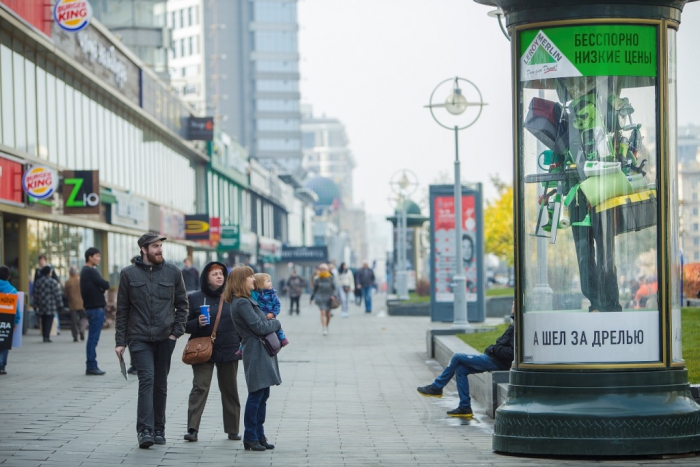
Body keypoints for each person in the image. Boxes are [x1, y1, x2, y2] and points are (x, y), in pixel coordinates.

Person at [115, 233, 188, 449]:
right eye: (155, 246)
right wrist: (120, 341)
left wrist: (176, 333)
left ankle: (159, 429)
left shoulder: (173, 272)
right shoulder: (128, 274)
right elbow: (122, 310)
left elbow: (183, 304)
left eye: (160, 246)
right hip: (138, 337)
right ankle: (144, 430)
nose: (159, 249)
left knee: (160, 383)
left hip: (165, 337)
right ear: (144, 249)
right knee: (146, 379)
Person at [416, 303, 515, 418]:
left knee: (457, 356)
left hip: (497, 362)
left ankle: (437, 387)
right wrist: (494, 349)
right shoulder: (514, 325)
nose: (512, 305)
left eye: (514, 304)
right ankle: (465, 407)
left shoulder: (517, 328)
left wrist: (493, 349)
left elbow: (511, 352)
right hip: (494, 359)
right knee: (461, 369)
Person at [183, 262, 242, 442]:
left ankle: (233, 429)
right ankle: (192, 428)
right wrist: (197, 323)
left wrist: (241, 342)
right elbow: (184, 325)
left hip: (229, 348)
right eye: (214, 274)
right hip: (202, 349)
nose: (219, 276)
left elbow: (241, 321)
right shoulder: (195, 298)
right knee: (200, 387)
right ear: (205, 278)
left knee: (230, 388)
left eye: (221, 273)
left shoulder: (233, 296)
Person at [225, 264, 281, 452]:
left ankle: (259, 435)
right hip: (255, 350)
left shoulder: (247, 300)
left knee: (263, 394)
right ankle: (250, 437)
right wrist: (276, 323)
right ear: (241, 281)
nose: (253, 279)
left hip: (261, 349)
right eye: (250, 277)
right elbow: (259, 327)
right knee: (256, 394)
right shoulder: (241, 302)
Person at [81, 247, 111, 376]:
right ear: (90, 257)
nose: (99, 258)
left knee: (92, 338)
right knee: (93, 339)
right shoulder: (90, 271)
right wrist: (101, 288)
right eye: (97, 256)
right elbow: (106, 284)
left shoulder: (85, 271)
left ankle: (91, 365)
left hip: (91, 308)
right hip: (95, 309)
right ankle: (91, 365)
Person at [241, 273, 288, 352]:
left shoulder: (272, 294)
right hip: (259, 317)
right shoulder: (255, 293)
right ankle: (241, 349)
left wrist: (273, 313)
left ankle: (282, 339)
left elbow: (277, 304)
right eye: (268, 281)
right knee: (248, 333)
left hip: (269, 315)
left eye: (270, 281)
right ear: (260, 284)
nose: (271, 283)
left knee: (277, 328)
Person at [33, 266, 62, 343]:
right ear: (49, 272)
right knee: (49, 320)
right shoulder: (53, 282)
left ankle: (44, 335)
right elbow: (57, 294)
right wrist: (60, 305)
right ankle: (47, 336)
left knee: (43, 320)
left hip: (41, 305)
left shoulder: (38, 282)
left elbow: (35, 294)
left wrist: (35, 305)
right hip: (51, 305)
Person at [0, 265, 21, 375]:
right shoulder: (12, 290)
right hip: (7, 320)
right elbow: (16, 309)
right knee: (4, 342)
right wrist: (16, 321)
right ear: (8, 276)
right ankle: (1, 366)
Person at [310, 264, 336, 335]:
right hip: (320, 297)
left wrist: (333, 295)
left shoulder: (330, 278)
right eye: (321, 269)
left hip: (329, 297)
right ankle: (324, 328)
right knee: (322, 312)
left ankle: (326, 326)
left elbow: (334, 288)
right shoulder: (317, 279)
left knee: (328, 314)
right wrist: (311, 298)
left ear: (327, 270)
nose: (322, 270)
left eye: (324, 269)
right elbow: (314, 289)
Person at [64, 266, 86, 342]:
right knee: (84, 317)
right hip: (82, 303)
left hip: (72, 304)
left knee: (73, 320)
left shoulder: (68, 282)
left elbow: (65, 294)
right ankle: (82, 329)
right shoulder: (81, 280)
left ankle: (75, 335)